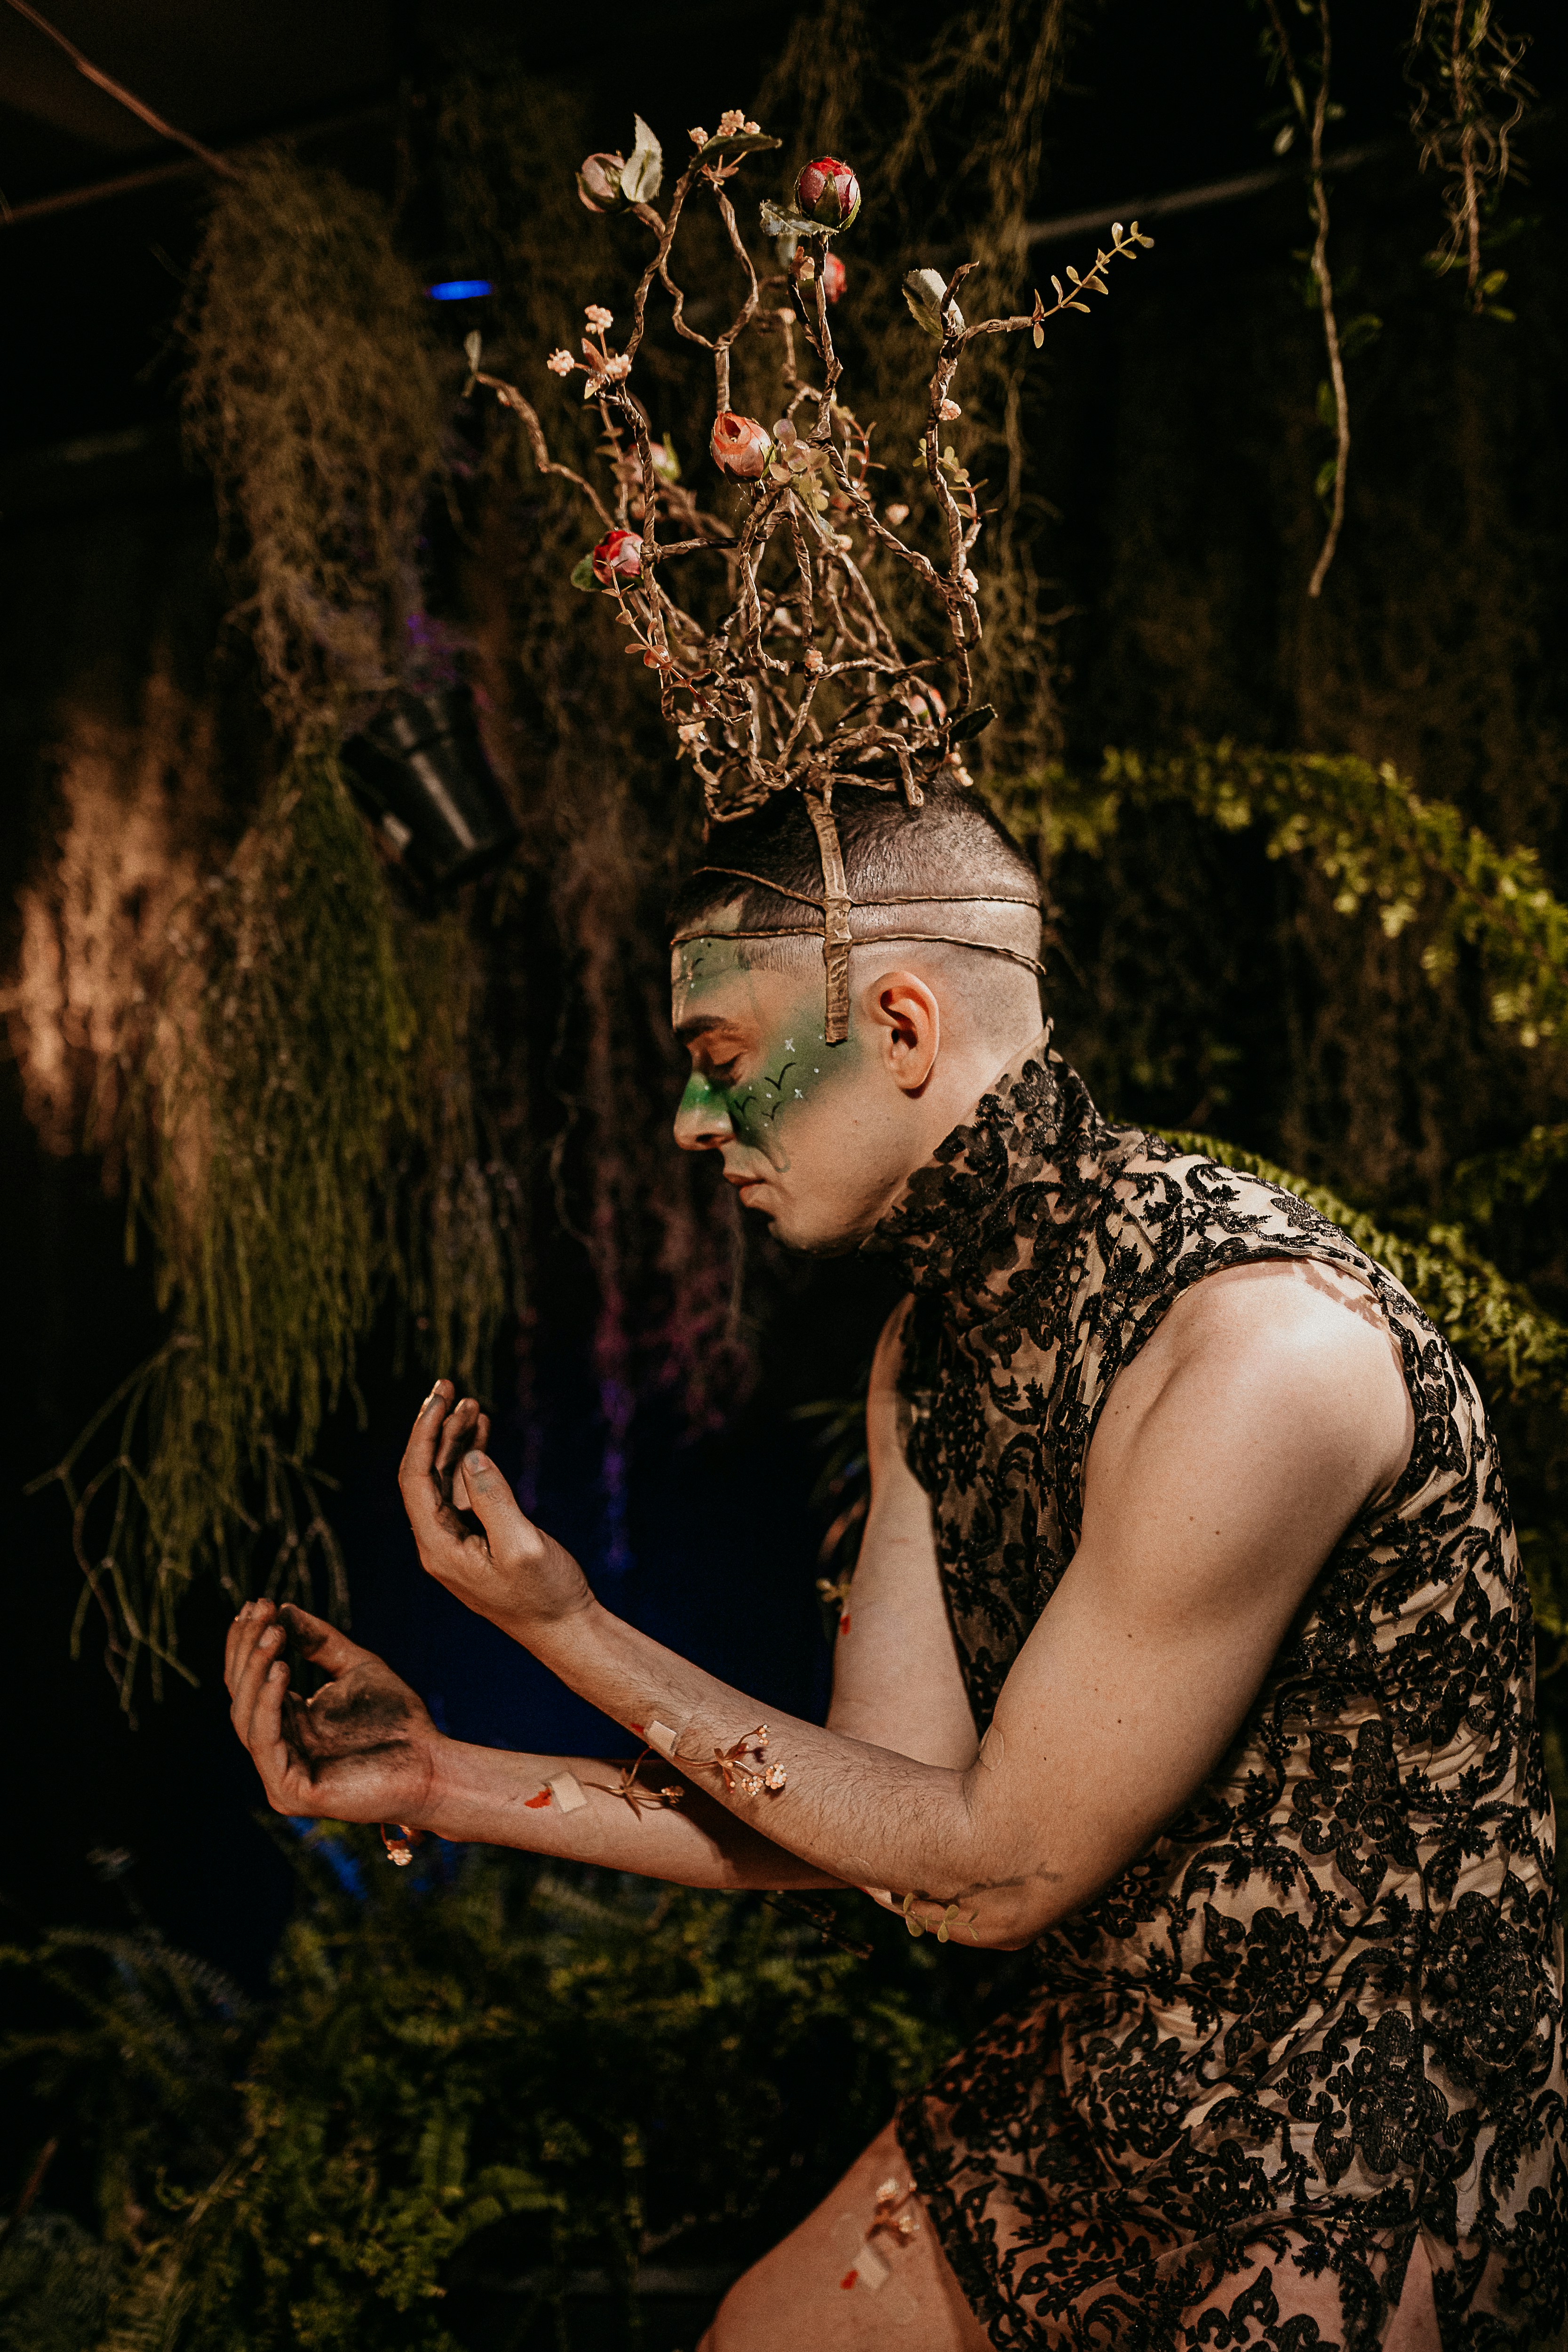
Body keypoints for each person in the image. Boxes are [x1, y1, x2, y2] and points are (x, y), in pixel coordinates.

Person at [226, 779, 1565, 2350]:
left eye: (723, 1062)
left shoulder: (1257, 1356)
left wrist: (564, 1625)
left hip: (1371, 2133)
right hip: (1120, 2072)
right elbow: (884, 1815)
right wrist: (443, 1779)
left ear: (907, 1027)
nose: (690, 1121)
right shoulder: (926, 1351)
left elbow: (991, 1874)